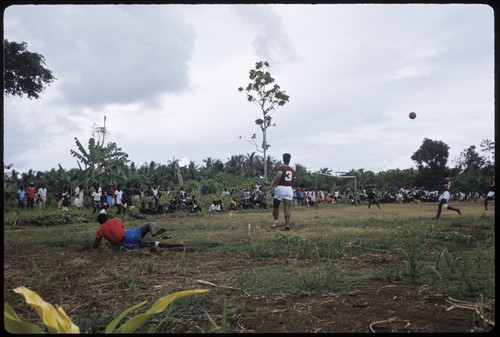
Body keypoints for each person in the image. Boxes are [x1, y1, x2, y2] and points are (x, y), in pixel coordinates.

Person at [93, 213, 176, 250]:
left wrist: (93, 248)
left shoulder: (100, 231)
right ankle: (153, 232)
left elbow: (96, 244)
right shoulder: (116, 220)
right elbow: (122, 230)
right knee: (149, 224)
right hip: (129, 235)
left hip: (124, 245)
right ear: (108, 218)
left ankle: (177, 244)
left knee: (148, 244)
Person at [268, 153, 296, 231]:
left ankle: (276, 222)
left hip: (281, 188)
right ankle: (287, 224)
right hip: (289, 189)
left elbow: (278, 176)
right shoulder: (293, 170)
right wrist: (291, 187)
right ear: (289, 160)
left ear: (283, 159)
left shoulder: (281, 168)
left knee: (275, 206)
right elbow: (294, 180)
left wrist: (272, 185)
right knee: (287, 208)